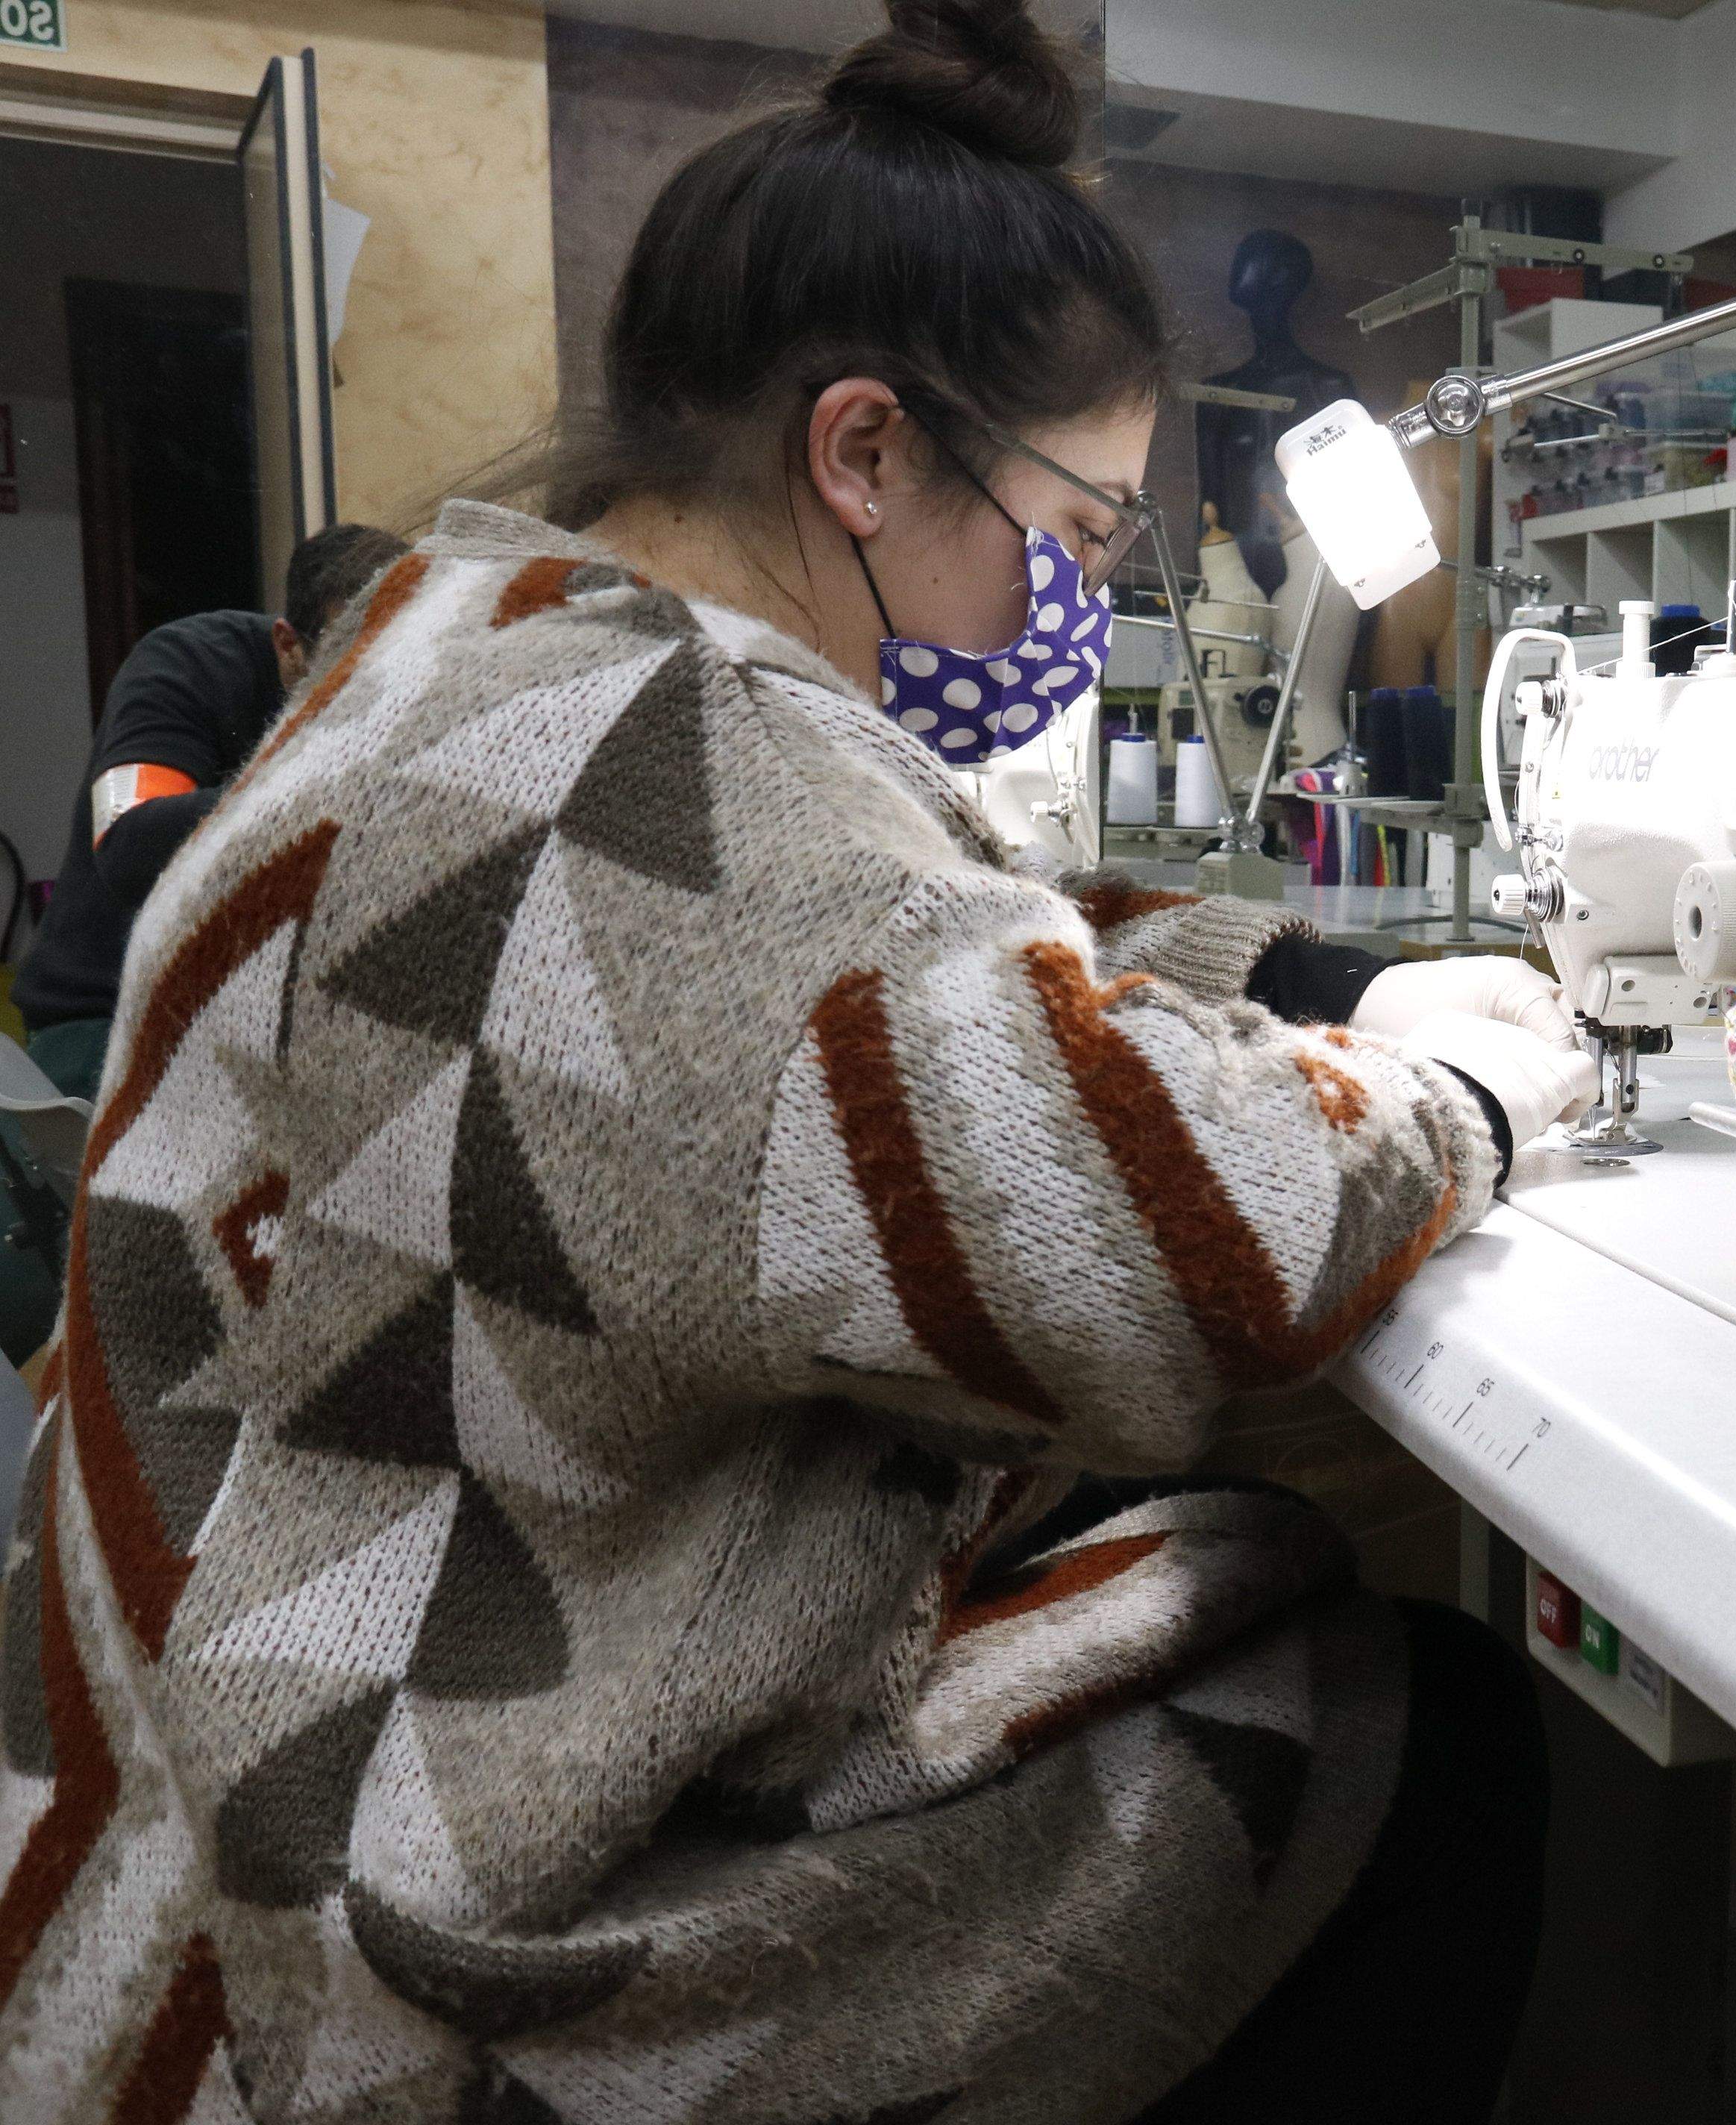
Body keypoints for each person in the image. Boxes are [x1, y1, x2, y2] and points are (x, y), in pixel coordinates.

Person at [0, 4, 1591, 2119]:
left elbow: (887, 944)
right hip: (373, 1946)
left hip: (181, 1788)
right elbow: (1169, 1233)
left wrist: (1330, 978)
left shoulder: (461, 654)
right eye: (1086, 529)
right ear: (863, 452)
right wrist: (1467, 1107)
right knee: (1410, 1713)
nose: (1071, 597)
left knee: (1153, 1550)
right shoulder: (671, 761)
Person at [0, 522, 408, 1366]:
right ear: (289, 646)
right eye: (343, 670)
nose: (366, 698)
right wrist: (324, 777)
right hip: (108, 1023)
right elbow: (134, 841)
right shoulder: (185, 666)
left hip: (256, 1036)